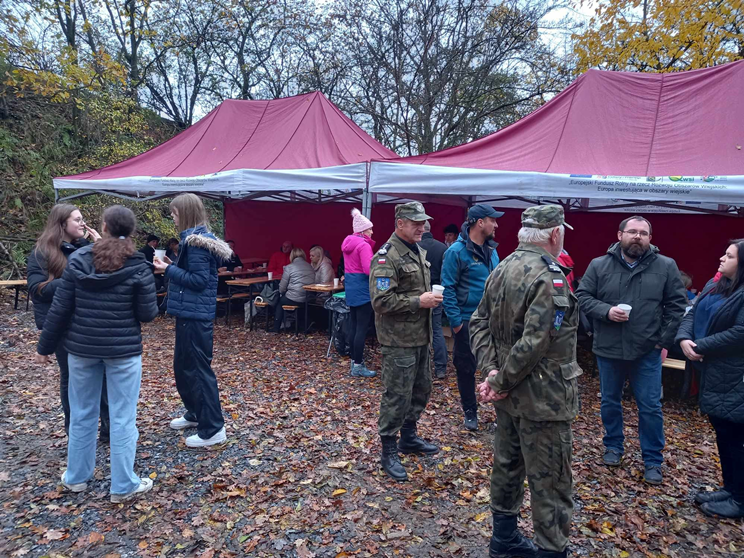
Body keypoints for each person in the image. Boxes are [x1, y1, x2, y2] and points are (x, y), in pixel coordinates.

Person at [470, 204, 580, 558]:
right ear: (554, 233)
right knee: (550, 480)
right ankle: (550, 550)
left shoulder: (502, 267)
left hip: (511, 393)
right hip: (542, 397)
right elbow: (535, 342)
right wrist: (498, 378)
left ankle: (503, 540)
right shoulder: (550, 276)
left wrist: (492, 372)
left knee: (508, 464)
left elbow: (479, 323)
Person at [35, 205, 158, 503]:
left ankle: (77, 478)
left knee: (82, 413)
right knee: (122, 417)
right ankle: (123, 484)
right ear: (131, 232)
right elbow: (147, 314)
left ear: (103, 226)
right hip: (123, 351)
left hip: (81, 350)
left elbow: (61, 307)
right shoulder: (139, 265)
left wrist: (45, 346)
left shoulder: (77, 260)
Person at [576, 215, 687, 485]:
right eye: (632, 232)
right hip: (608, 348)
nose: (638, 237)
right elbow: (582, 296)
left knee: (650, 406)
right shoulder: (599, 265)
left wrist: (663, 342)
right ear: (619, 235)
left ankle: (653, 460)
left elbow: (676, 306)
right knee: (609, 401)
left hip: (646, 350)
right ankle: (613, 446)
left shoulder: (665, 266)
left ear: (650, 238)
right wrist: (606, 311)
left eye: (643, 233)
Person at [370, 202, 443, 482]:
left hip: (420, 336)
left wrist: (427, 299)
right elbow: (380, 301)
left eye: (423, 222)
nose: (421, 227)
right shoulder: (387, 258)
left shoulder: (417, 251)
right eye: (416, 222)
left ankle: (408, 437)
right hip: (398, 340)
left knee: (421, 388)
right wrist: (418, 301)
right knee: (397, 394)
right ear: (400, 223)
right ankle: (388, 449)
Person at [153, 194, 232, 448]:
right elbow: (195, 273)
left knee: (198, 370)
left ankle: (213, 428)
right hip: (190, 314)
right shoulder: (192, 241)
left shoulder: (196, 243)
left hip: (196, 316)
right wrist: (172, 264)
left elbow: (199, 282)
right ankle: (196, 413)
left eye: (175, 213)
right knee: (184, 367)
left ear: (185, 213)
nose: (173, 218)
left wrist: (169, 270)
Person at [27, 204, 110, 441]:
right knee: (71, 377)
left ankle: (109, 429)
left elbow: (103, 276)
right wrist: (72, 280)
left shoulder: (82, 247)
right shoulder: (42, 252)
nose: (83, 224)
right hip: (61, 323)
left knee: (102, 374)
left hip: (89, 321)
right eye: (77, 220)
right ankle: (75, 433)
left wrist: (95, 247)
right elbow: (37, 289)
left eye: (83, 219)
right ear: (61, 223)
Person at [676, 239, 744, 519]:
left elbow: (741, 331)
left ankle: (740, 500)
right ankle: (731, 488)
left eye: (729, 256)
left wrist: (701, 345)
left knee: (736, 436)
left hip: (735, 376)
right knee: (724, 432)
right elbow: (690, 315)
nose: (721, 258)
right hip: (713, 373)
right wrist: (684, 339)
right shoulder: (715, 286)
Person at [441, 204, 502, 431]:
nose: (496, 225)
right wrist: (456, 324)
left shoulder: (492, 250)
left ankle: (500, 414)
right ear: (480, 223)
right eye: (492, 220)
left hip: (493, 321)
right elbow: (448, 289)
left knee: (497, 366)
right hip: (467, 321)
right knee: (466, 368)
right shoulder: (455, 252)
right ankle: (470, 412)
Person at [341, 209, 377, 378]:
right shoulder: (363, 246)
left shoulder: (348, 244)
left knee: (354, 326)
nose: (372, 231)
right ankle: (357, 365)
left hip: (351, 289)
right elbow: (369, 269)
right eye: (369, 229)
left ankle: (354, 360)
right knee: (362, 328)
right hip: (363, 291)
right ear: (363, 231)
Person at [419, 221, 448, 379]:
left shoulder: (415, 247)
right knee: (436, 330)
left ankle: (421, 367)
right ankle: (440, 367)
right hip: (437, 293)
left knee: (418, 330)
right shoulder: (442, 248)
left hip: (419, 294)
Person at [272, 248, 315, 332]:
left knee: (279, 301)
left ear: (292, 256)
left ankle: (276, 328)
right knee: (300, 304)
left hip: (294, 298)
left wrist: (282, 292)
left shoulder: (289, 267)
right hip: (308, 297)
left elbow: (282, 288)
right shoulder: (310, 266)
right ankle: (301, 325)